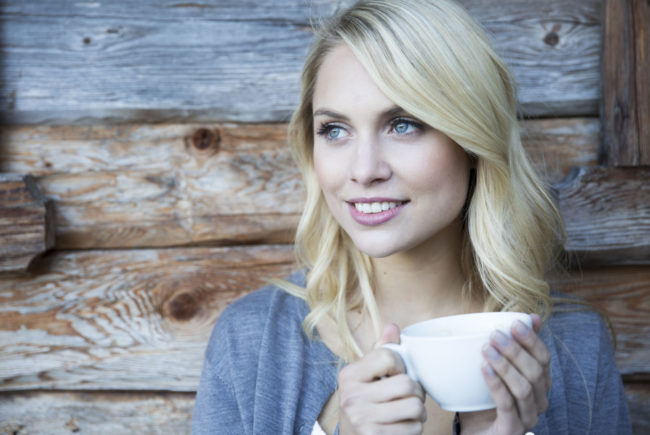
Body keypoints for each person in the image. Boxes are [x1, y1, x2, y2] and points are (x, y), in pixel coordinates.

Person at [192, 0, 632, 433]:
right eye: (335, 130)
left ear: (473, 140)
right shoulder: (251, 345)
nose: (364, 171)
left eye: (403, 124)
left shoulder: (578, 349)